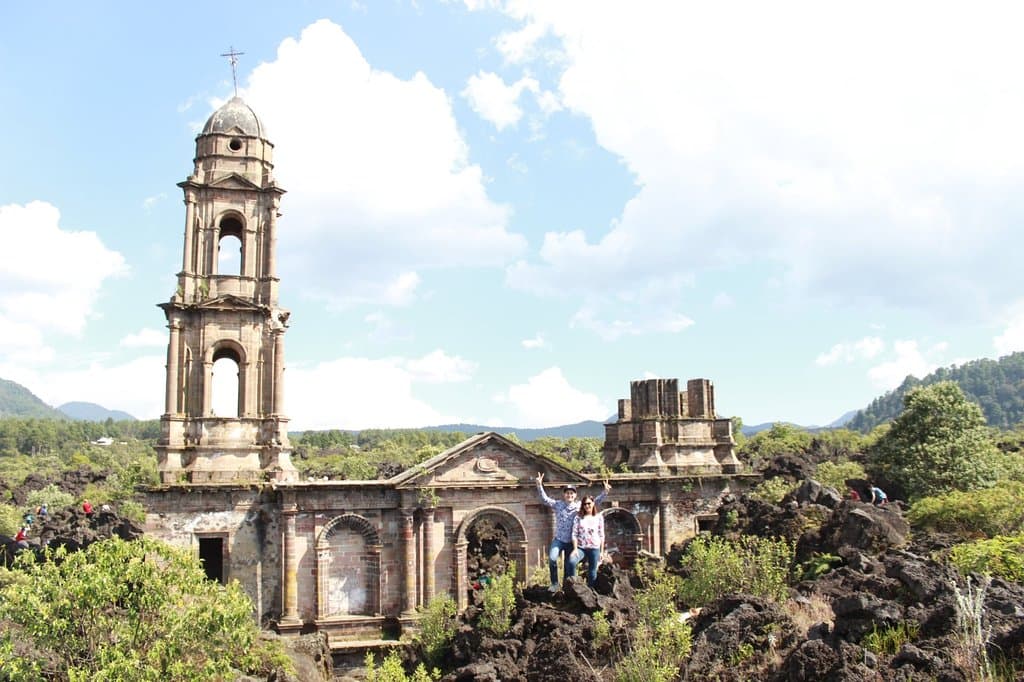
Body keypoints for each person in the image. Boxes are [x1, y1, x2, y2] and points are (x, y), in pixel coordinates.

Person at [536, 472, 611, 592]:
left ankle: (568, 587)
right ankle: (555, 583)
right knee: (552, 558)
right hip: (559, 539)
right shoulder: (558, 504)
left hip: (572, 542)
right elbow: (545, 500)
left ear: (575, 495)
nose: (569, 495)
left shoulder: (578, 507)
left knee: (569, 566)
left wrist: (605, 492)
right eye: (567, 493)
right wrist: (539, 485)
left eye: (571, 493)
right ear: (564, 495)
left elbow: (593, 503)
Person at [568, 495, 605, 588]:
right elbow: (574, 534)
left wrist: (601, 551)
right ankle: (574, 586)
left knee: (592, 572)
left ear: (593, 503)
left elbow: (601, 535)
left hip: (594, 548)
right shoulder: (578, 518)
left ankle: (591, 591)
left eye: (589, 503)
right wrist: (575, 549)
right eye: (584, 504)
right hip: (581, 548)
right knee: (572, 562)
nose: (587, 506)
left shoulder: (599, 517)